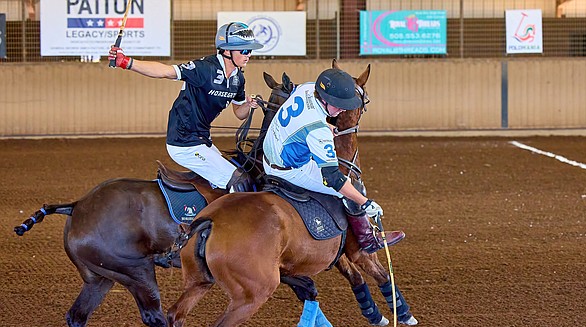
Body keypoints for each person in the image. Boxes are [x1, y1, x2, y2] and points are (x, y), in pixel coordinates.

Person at [262, 68, 405, 254]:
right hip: (288, 169)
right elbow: (333, 179)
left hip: (270, 151)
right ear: (325, 99)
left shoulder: (306, 88)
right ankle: (368, 239)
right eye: (338, 105)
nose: (343, 109)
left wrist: (325, 123)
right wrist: (365, 202)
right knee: (350, 186)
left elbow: (304, 114)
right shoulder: (318, 131)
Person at [108, 22, 263, 192]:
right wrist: (126, 62)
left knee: (232, 178)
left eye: (250, 51)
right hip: (184, 143)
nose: (248, 55)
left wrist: (248, 105)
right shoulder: (205, 68)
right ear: (227, 50)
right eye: (244, 50)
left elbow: (239, 114)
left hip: (203, 141)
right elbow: (165, 71)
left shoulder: (238, 79)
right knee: (239, 182)